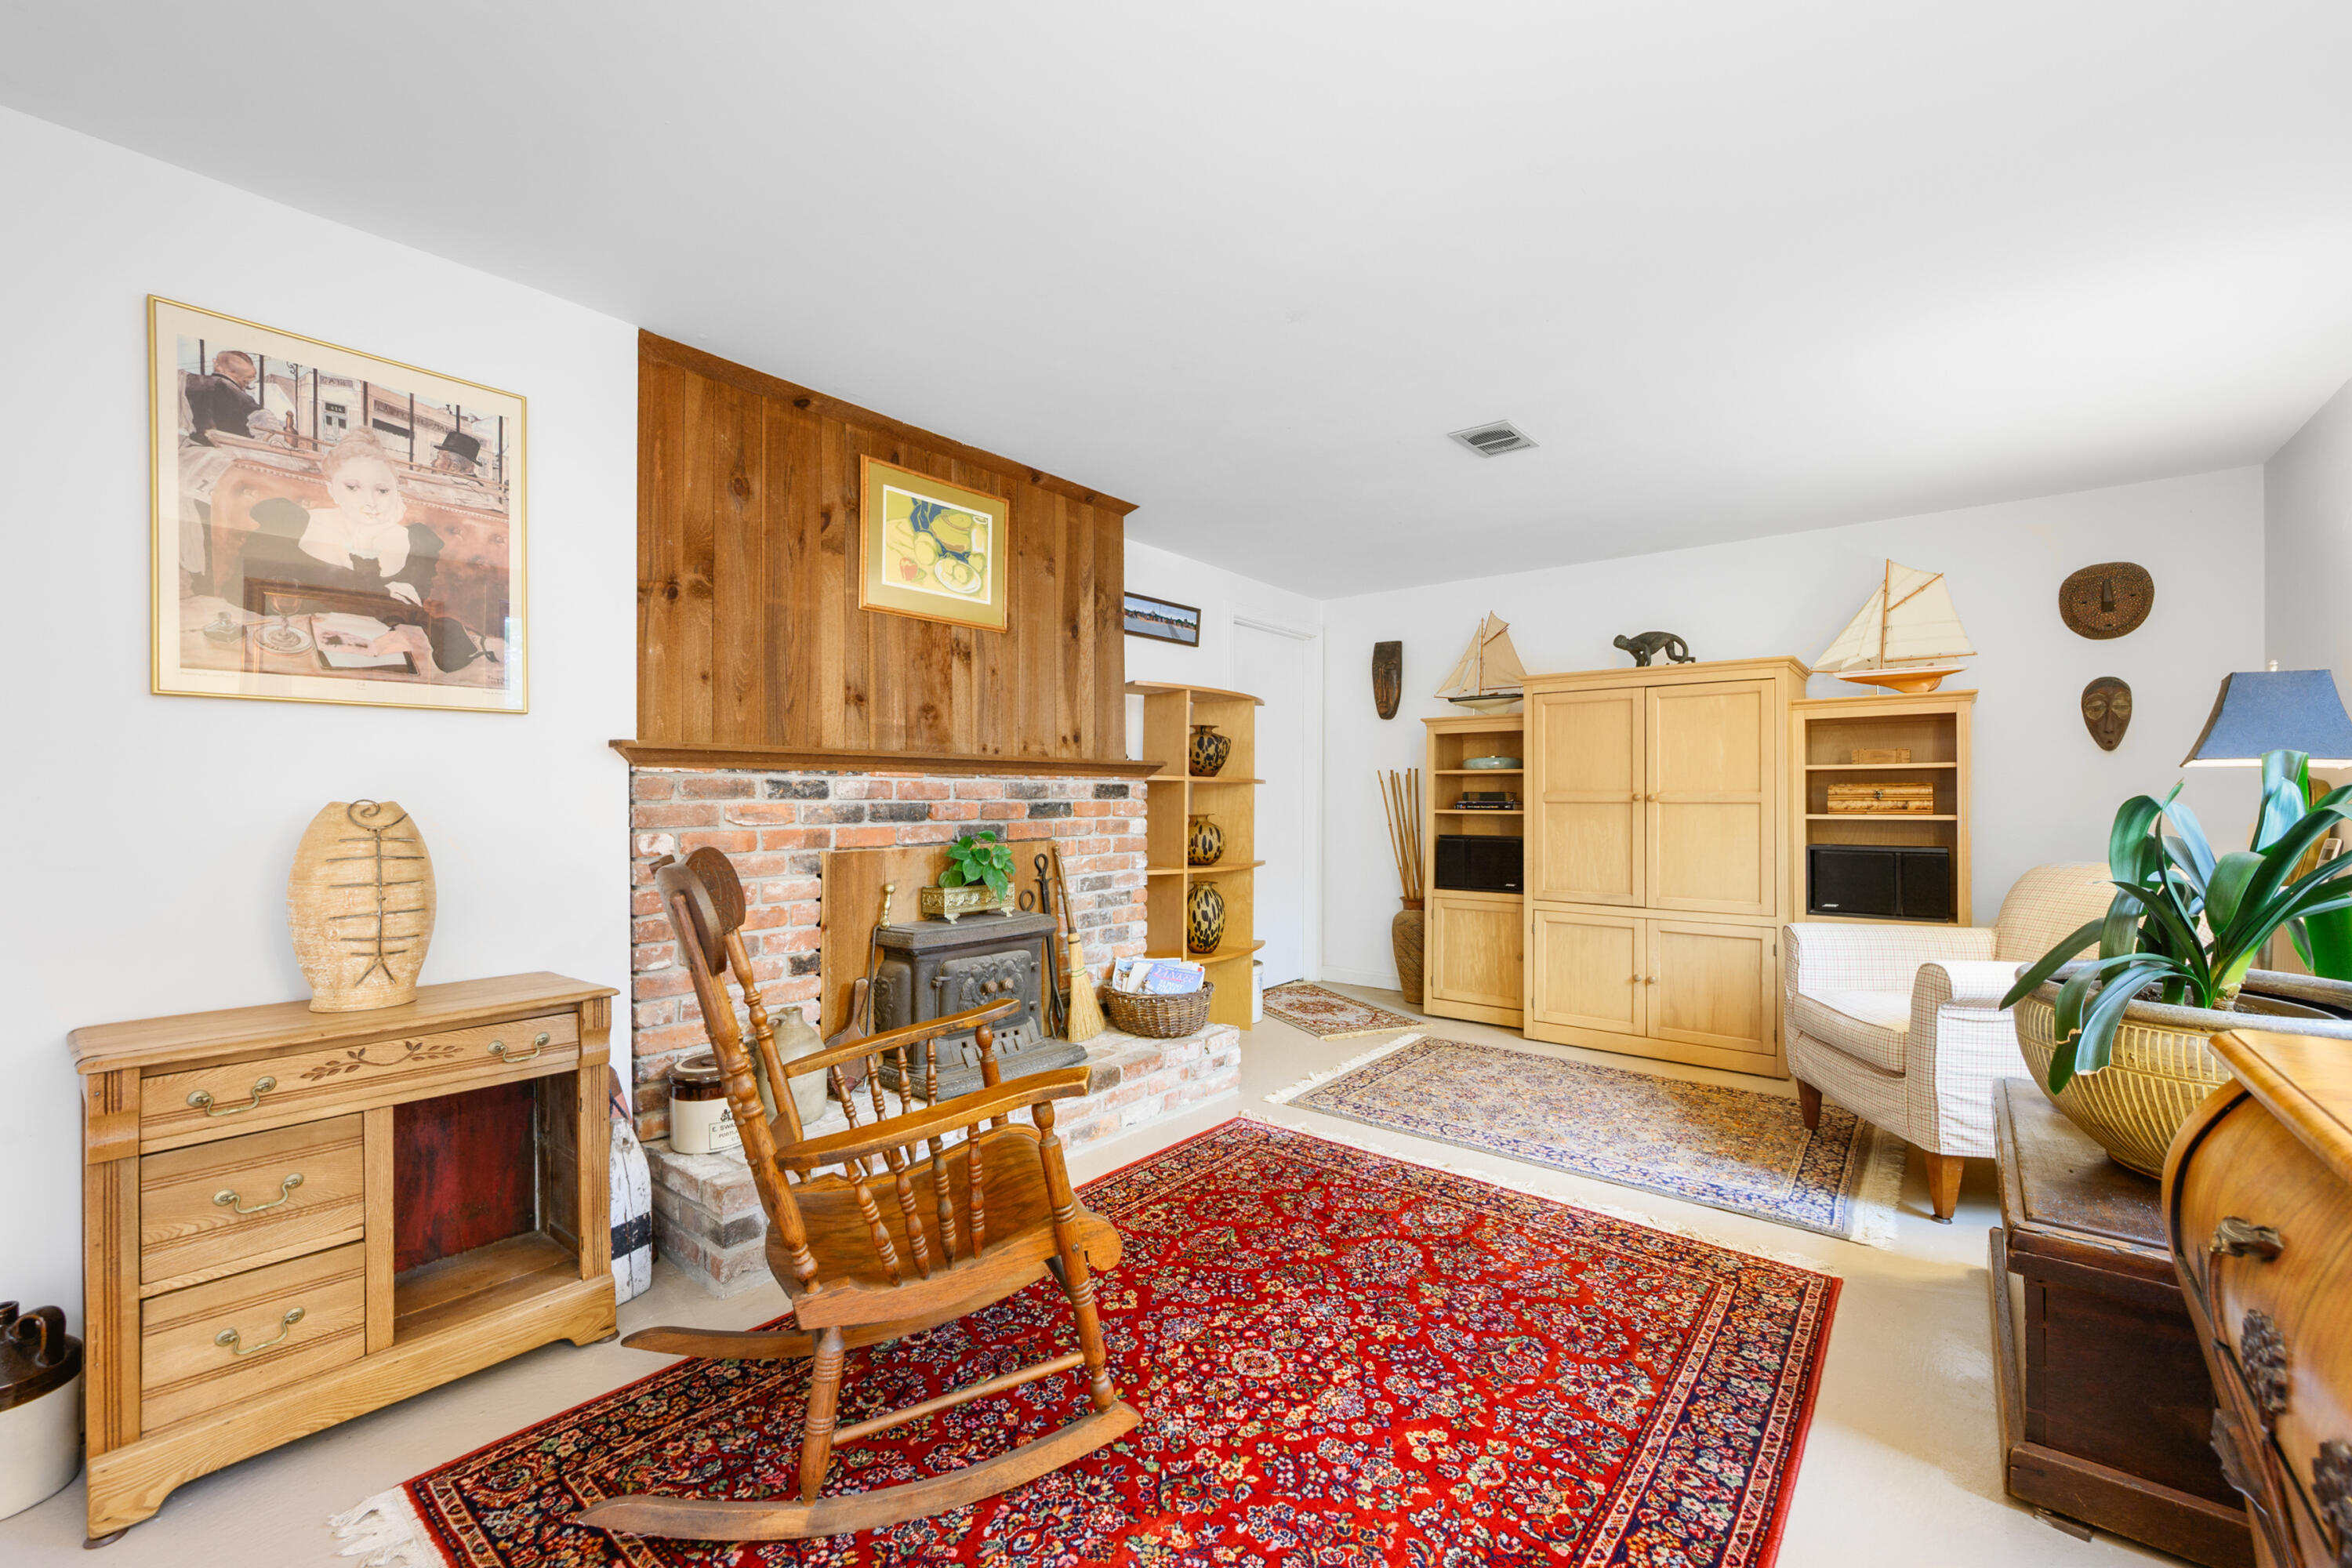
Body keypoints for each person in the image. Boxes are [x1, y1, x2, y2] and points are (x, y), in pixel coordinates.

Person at [184, 350, 262, 445]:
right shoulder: (228, 387)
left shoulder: (189, 381)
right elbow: (257, 416)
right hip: (218, 445)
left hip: (191, 442)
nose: (251, 381)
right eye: (250, 377)